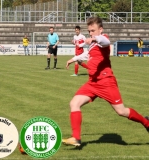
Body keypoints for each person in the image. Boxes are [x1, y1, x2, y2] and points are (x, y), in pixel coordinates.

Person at [62, 16, 149, 147]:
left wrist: (94, 38)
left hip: (106, 82)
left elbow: (106, 42)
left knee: (121, 111)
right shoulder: (93, 44)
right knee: (74, 103)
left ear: (100, 29)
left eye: (93, 30)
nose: (91, 33)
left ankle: (147, 123)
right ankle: (76, 138)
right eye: (89, 31)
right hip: (92, 83)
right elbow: (87, 55)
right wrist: (73, 59)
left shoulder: (103, 39)